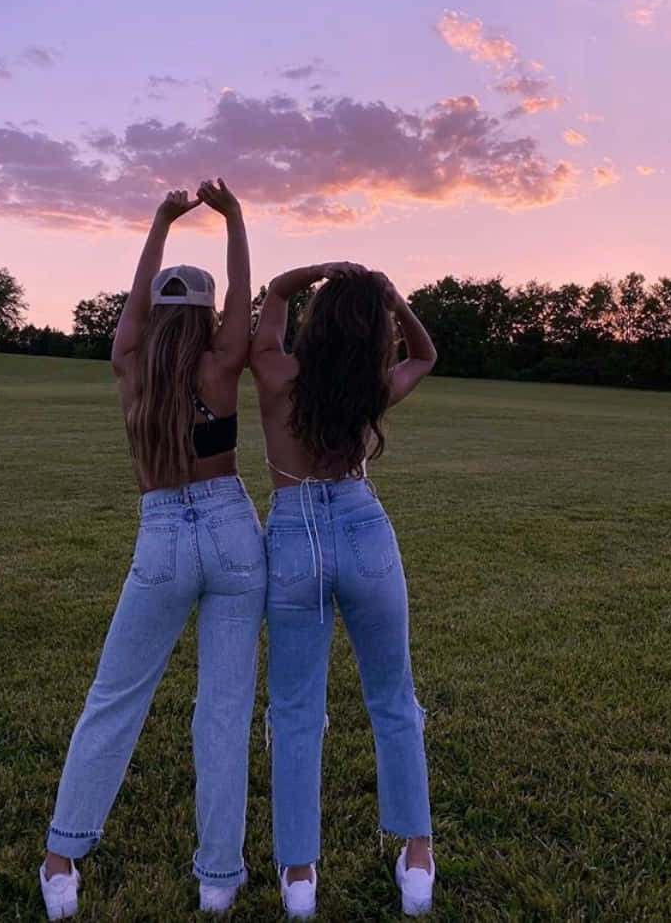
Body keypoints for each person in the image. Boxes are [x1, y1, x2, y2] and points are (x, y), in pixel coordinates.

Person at [40, 180, 265, 920]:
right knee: (224, 713)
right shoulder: (220, 365)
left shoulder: (130, 365)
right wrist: (232, 219)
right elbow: (243, 295)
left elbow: (133, 309)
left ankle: (63, 859)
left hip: (163, 533)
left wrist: (160, 222)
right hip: (234, 531)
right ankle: (218, 879)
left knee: (113, 700)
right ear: (203, 318)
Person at [250, 262, 438, 918]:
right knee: (393, 698)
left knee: (297, 710)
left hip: (294, 537)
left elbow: (273, 295)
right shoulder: (371, 388)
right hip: (365, 532)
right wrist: (395, 300)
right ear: (371, 333)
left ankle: (299, 876)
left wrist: (317, 274)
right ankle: (417, 859)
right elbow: (426, 354)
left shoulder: (277, 377)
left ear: (318, 323)